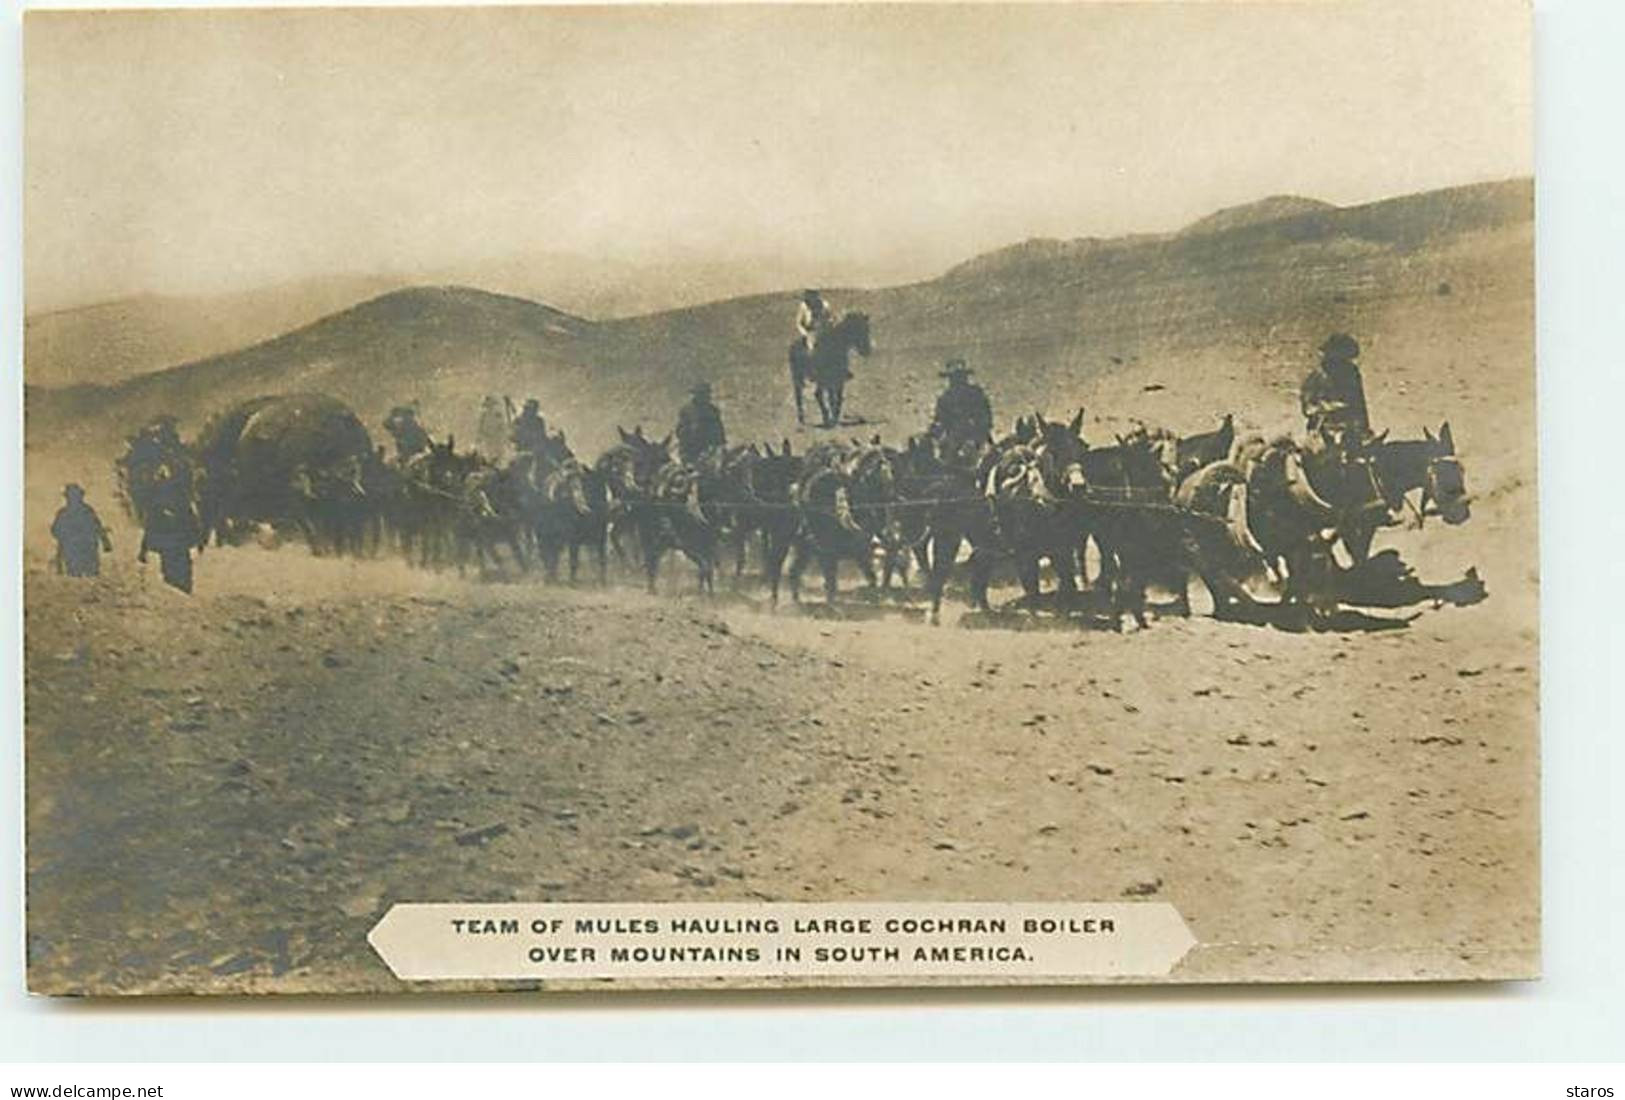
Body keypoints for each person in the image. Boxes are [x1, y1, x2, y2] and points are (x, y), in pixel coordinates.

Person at [1300, 332, 1372, 448]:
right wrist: (1330, 407)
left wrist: (1364, 429)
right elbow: (1307, 408)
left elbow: (1359, 404)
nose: (1343, 363)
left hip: (1350, 430)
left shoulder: (1352, 374)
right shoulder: (1316, 377)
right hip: (1323, 430)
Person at [930, 359, 994, 455]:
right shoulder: (945, 398)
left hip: (976, 437)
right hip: (954, 439)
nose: (956, 381)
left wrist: (978, 432)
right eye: (954, 378)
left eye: (959, 377)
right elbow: (940, 420)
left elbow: (986, 417)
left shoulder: (975, 394)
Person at [50, 484, 113, 577]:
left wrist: (105, 542)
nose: (73, 499)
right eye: (72, 497)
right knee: (77, 576)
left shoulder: (86, 512)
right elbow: (56, 531)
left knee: (86, 577)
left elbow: (97, 527)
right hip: (75, 552)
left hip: (85, 551)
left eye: (75, 496)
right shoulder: (67, 514)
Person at [675, 383, 727, 466]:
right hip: (691, 450)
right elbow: (680, 431)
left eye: (706, 394)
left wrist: (719, 445)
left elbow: (719, 431)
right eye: (701, 394)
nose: (705, 397)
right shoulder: (687, 411)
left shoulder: (713, 411)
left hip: (710, 449)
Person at [795, 289, 832, 357]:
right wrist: (805, 333)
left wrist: (828, 325)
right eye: (810, 296)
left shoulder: (824, 305)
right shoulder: (804, 306)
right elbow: (799, 323)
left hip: (823, 331)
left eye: (813, 295)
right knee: (812, 348)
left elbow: (829, 317)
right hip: (810, 332)